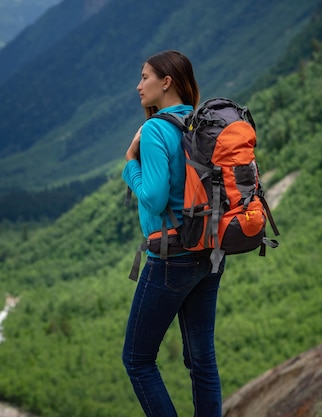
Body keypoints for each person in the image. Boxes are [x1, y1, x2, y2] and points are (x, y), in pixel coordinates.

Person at [121, 50, 225, 417]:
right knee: (202, 360)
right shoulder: (202, 122)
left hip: (171, 257)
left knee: (137, 360)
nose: (139, 85)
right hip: (211, 252)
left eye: (145, 76)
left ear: (166, 82)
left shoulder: (154, 129)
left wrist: (130, 164)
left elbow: (152, 197)